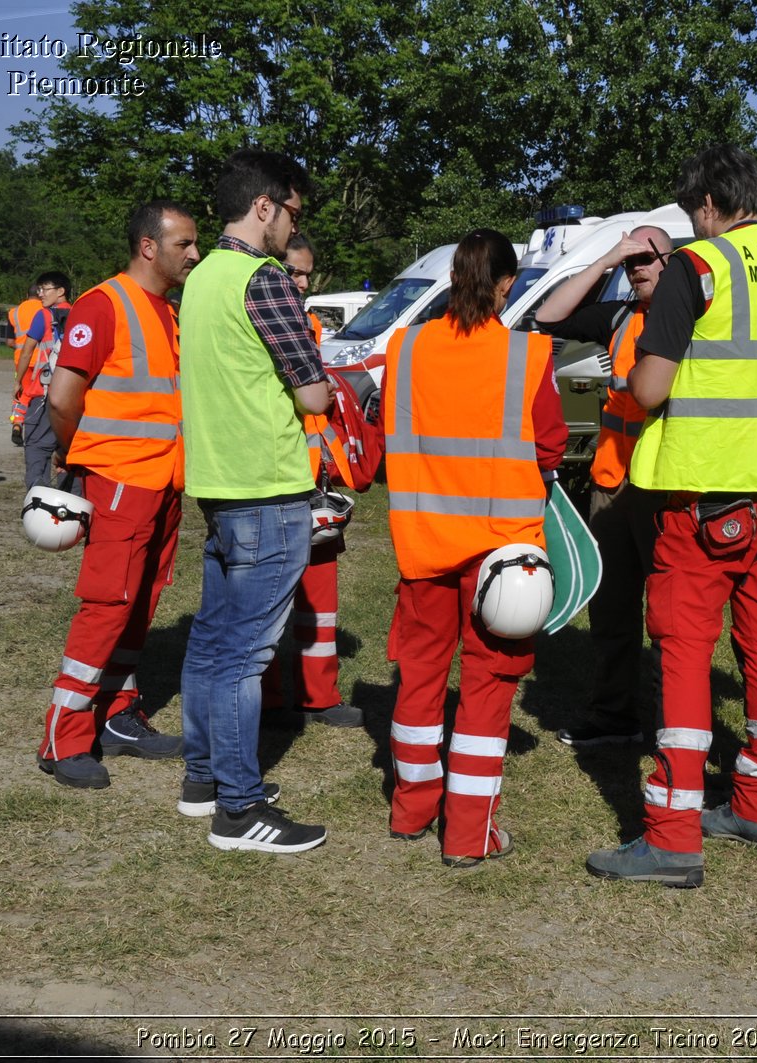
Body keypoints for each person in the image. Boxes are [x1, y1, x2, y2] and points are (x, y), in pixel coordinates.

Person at [585, 145, 757, 888]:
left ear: (705, 208)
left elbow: (654, 386)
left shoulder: (699, 269)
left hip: (704, 498)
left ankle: (670, 833)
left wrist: (629, 377)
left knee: (685, 648)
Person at [383, 228, 566, 868]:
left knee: (419, 680)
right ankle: (468, 835)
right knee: (486, 693)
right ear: (507, 285)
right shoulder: (526, 356)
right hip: (501, 559)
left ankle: (410, 811)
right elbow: (549, 445)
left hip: (423, 545)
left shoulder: (404, 348)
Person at [179, 148, 335, 854]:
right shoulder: (264, 279)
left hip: (217, 485)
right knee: (245, 657)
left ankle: (204, 779)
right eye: (293, 212)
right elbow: (311, 392)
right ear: (265, 206)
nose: (292, 227)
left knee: (213, 643)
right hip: (268, 491)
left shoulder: (202, 275)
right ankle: (239, 810)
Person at [34, 202, 196, 790]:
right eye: (184, 244)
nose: (194, 254)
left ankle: (119, 714)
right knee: (107, 606)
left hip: (162, 481)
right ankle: (64, 735)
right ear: (149, 247)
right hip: (120, 480)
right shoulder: (103, 304)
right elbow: (61, 396)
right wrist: (85, 457)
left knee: (139, 603)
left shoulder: (169, 312)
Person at [534, 225, 673, 749]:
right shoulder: (620, 316)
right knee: (611, 609)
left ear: (672, 261)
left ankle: (672, 725)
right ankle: (616, 715)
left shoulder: (694, 318)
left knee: (668, 616)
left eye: (646, 257)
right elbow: (548, 318)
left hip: (666, 487)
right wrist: (607, 257)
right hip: (613, 486)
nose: (636, 268)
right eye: (630, 260)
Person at [261, 233, 364, 728]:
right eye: (293, 273)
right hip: (271, 478)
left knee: (320, 596)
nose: (302, 284)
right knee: (267, 595)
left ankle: (317, 693)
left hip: (313, 480)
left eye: (306, 274)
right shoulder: (255, 318)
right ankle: (264, 695)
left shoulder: (311, 326)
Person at [16, 272, 73, 492]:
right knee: (67, 446)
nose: (40, 294)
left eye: (45, 289)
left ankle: (37, 492)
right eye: (39, 289)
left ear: (61, 291)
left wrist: (18, 381)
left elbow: (26, 351)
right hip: (72, 393)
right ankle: (69, 497)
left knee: (36, 444)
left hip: (44, 390)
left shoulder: (44, 316)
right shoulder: (80, 313)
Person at [7, 283, 44, 446]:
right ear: (41, 293)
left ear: (27, 293)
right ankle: (36, 426)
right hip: (42, 359)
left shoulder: (14, 312)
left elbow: (9, 342)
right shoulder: (46, 311)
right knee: (38, 395)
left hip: (20, 360)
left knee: (20, 392)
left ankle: (16, 422)